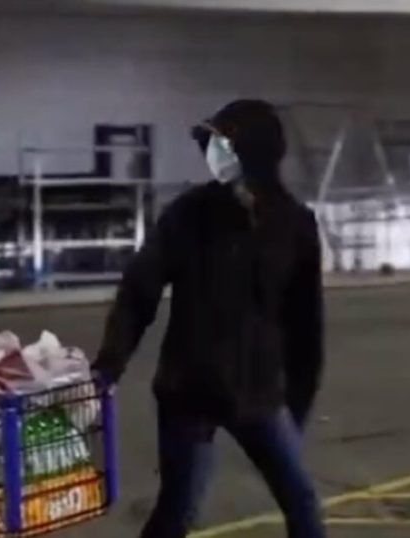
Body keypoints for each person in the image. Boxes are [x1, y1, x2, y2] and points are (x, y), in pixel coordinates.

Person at [92, 99, 326, 538]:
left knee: (302, 503)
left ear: (255, 150)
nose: (214, 153)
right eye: (212, 143)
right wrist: (109, 365)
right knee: (178, 509)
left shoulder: (295, 225)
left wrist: (297, 406)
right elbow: (140, 288)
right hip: (189, 390)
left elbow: (306, 327)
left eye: (225, 144)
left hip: (258, 394)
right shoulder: (189, 214)